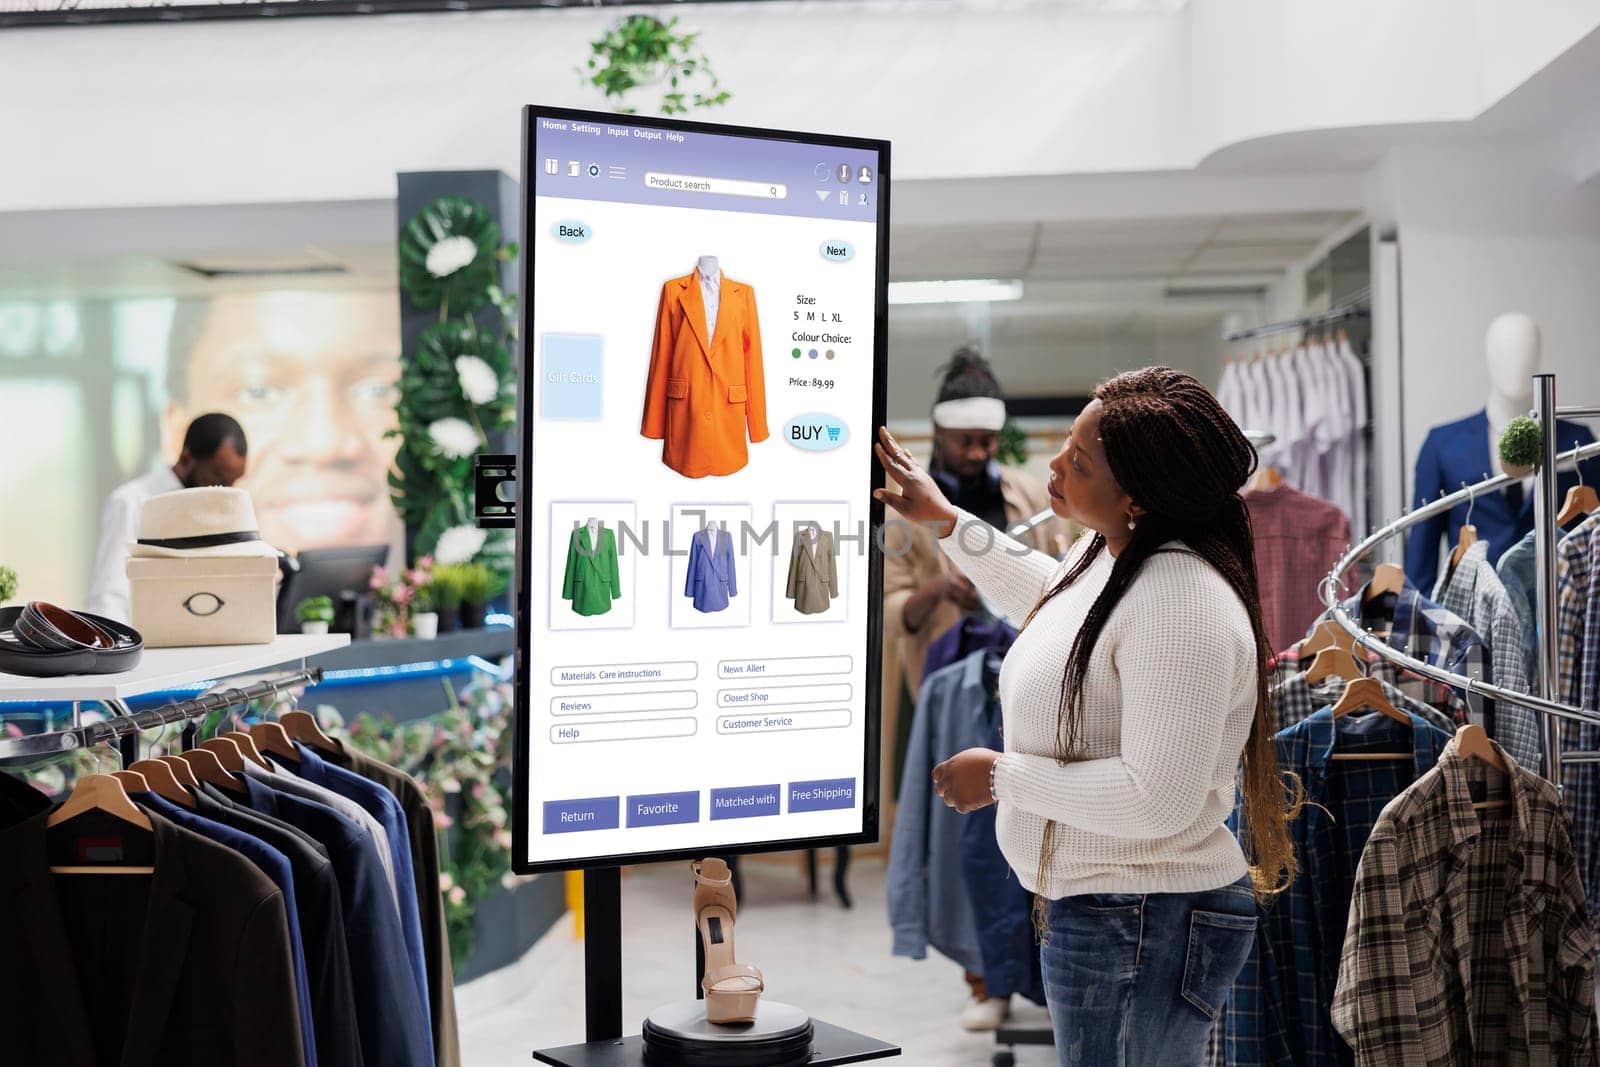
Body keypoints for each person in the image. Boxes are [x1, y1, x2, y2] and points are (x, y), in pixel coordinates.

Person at [874, 366, 1296, 1067]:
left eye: (1079, 458)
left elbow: (1157, 797)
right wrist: (947, 522)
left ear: (1136, 495)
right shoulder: (1110, 554)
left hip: (1145, 917)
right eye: (1066, 444)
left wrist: (1006, 777)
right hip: (1116, 910)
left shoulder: (1181, 599)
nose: (1056, 464)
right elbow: (1048, 596)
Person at [879, 349, 1067, 1030]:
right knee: (965, 835)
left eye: (989, 439)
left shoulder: (1026, 493)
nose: (980, 450)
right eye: (968, 439)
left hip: (1025, 683)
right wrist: (944, 584)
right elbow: (892, 610)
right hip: (949, 687)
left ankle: (1039, 971)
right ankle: (983, 979)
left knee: (1029, 818)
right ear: (940, 435)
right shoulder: (905, 507)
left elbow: (1057, 576)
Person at [161, 290, 404, 557]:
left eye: (377, 390)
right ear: (178, 436)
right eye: (259, 392)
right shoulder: (134, 507)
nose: (322, 444)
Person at [88, 413, 248, 622]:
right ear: (186, 459)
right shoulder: (131, 502)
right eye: (217, 478)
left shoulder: (223, 509)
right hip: (148, 646)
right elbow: (109, 595)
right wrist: (121, 652)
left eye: (232, 482)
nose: (226, 492)